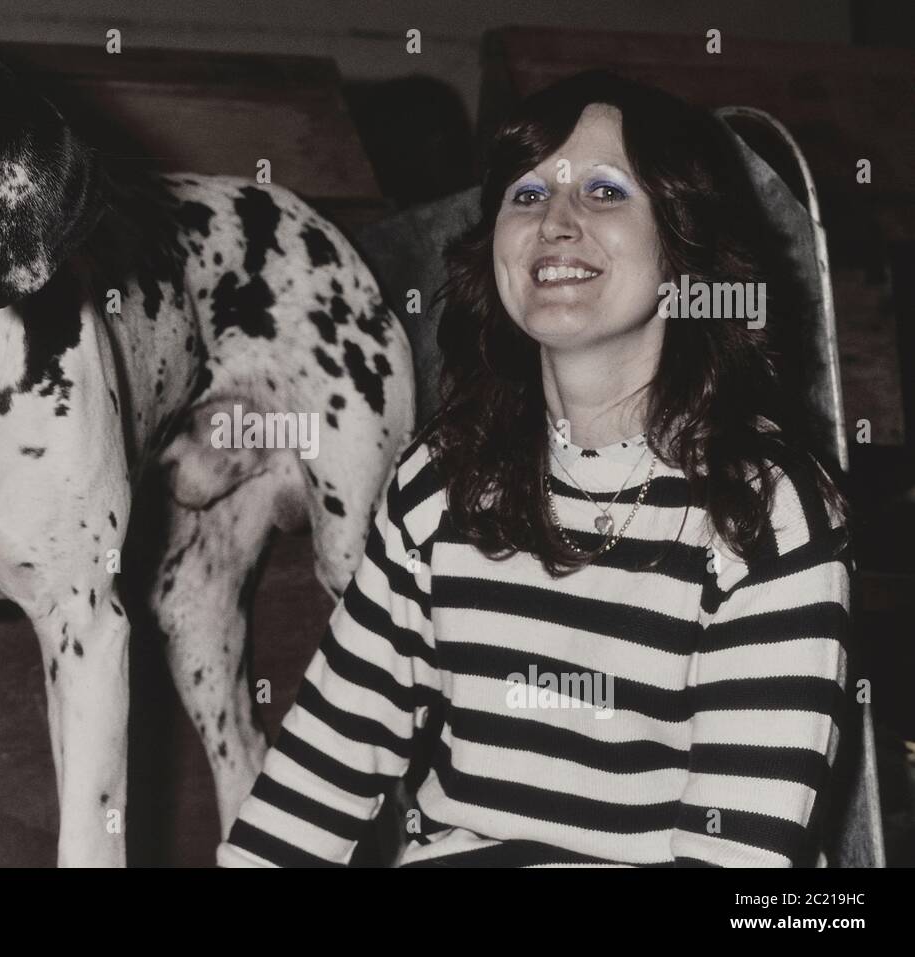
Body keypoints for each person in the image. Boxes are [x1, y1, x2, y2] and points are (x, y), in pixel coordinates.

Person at [217, 70, 852, 867]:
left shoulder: (763, 509)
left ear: (681, 247)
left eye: (606, 191)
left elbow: (743, 865)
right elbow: (315, 779)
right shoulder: (439, 485)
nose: (556, 220)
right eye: (526, 195)